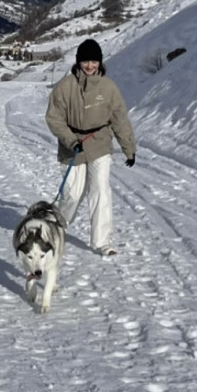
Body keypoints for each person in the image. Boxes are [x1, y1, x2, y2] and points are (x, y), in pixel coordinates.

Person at [45, 38, 136, 256]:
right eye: (86, 61)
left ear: (100, 62)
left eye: (94, 61)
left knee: (100, 190)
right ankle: (55, 230)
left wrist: (128, 147)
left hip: (99, 142)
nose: (90, 66)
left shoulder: (108, 87)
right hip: (73, 145)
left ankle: (102, 241)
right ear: (78, 62)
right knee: (73, 195)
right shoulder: (65, 87)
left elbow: (119, 119)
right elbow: (54, 118)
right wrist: (70, 139)